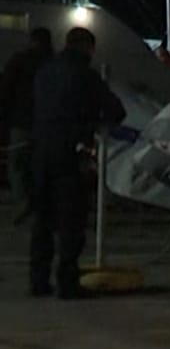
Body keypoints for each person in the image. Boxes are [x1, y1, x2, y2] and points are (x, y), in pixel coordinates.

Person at [29, 27, 126, 299]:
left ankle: (38, 280)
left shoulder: (44, 72)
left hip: (41, 150)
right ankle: (67, 282)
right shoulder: (86, 75)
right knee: (71, 221)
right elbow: (116, 111)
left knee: (43, 220)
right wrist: (93, 124)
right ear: (88, 48)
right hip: (71, 152)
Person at [1, 28, 54, 220]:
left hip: (21, 121)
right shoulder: (53, 63)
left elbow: (5, 91)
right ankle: (42, 205)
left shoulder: (19, 61)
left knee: (17, 165)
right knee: (41, 166)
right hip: (47, 124)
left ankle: (22, 201)